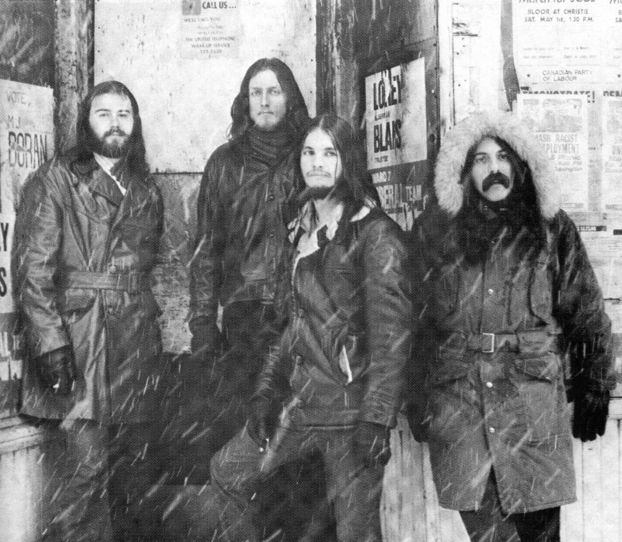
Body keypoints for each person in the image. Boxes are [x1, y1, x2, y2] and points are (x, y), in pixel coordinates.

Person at [407, 110, 615, 542]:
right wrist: (415, 391)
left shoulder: (551, 229)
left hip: (531, 410)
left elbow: (587, 313)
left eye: (503, 157)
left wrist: (595, 383)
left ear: (520, 165)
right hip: (461, 408)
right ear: (464, 170)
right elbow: (415, 321)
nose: (494, 169)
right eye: (480, 159)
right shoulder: (436, 230)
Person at [204, 114, 412, 542]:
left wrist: (376, 419)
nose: (317, 163)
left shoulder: (375, 234)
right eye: (309, 152)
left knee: (356, 533)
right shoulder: (300, 229)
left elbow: (392, 339)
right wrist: (265, 394)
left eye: (330, 153)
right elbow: (291, 323)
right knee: (228, 473)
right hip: (301, 403)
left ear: (348, 160)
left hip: (350, 412)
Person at [15, 80, 164, 542]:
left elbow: (149, 265)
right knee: (85, 474)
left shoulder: (145, 188)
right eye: (104, 114)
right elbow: (33, 272)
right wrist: (52, 345)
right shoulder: (56, 179)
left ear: (135, 124)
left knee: (131, 480)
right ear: (86, 123)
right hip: (82, 343)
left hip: (133, 345)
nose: (115, 124)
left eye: (124, 114)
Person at [188, 57, 310, 455]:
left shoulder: (310, 156)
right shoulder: (225, 163)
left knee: (298, 433)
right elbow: (206, 252)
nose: (265, 101)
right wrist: (203, 326)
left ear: (290, 98)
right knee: (248, 432)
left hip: (303, 313)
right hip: (246, 320)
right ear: (245, 101)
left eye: (274, 91)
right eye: (256, 92)